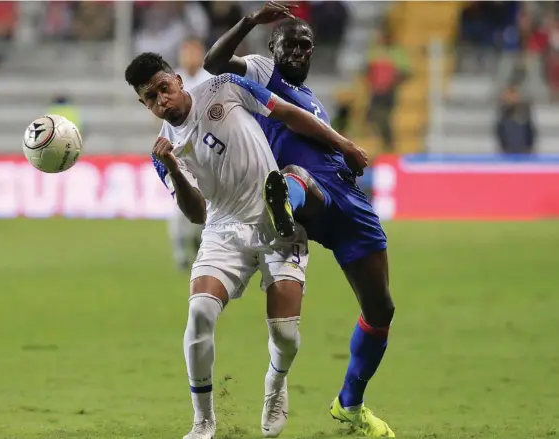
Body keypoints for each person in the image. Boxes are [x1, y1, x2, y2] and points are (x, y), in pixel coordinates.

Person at [125, 51, 366, 439]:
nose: (161, 101)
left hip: (278, 217)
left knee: (285, 336)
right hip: (223, 228)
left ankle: (275, 382)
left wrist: (343, 144)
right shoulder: (163, 152)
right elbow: (197, 214)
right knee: (200, 312)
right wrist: (172, 167)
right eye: (151, 98)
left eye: (163, 89)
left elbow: (288, 113)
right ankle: (202, 422)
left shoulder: (226, 87)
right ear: (143, 103)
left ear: (177, 80)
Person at [204, 2, 395, 437]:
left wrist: (343, 151)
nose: (298, 53)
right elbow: (213, 62)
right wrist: (250, 21)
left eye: (306, 46)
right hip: (309, 192)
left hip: (349, 199)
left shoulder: (313, 100)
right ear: (272, 48)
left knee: (381, 308)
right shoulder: (260, 73)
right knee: (294, 177)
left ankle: (350, 403)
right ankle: (282, 209)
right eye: (289, 46)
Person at [168, 38, 213, 270]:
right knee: (179, 204)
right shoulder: (172, 79)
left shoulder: (210, 80)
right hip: (180, 154)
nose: (190, 56)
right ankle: (180, 253)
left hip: (207, 153)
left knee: (209, 205)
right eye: (186, 52)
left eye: (194, 52)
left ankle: (201, 244)